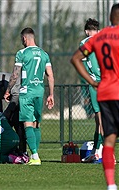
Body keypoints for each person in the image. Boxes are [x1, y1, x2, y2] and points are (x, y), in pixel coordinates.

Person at [70, 4, 119, 190]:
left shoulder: (100, 38)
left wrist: (91, 82)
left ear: (110, 17)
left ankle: (111, 185)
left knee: (108, 137)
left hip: (104, 90)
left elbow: (75, 58)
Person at [4, 27, 54, 166]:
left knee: (27, 123)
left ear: (25, 38)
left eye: (22, 40)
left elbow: (15, 75)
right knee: (36, 123)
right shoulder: (44, 54)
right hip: (40, 91)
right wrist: (51, 94)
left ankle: (35, 157)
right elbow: (50, 75)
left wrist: (8, 89)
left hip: (27, 92)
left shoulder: (22, 53)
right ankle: (35, 154)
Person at [0, 72, 27, 156]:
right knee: (4, 128)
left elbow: (16, 94)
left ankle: (23, 152)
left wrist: (8, 112)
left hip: (20, 100)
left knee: (18, 126)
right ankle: (10, 150)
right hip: (13, 103)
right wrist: (1, 118)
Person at [79, 18, 104, 163]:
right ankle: (96, 151)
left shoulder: (84, 43)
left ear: (87, 31)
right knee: (98, 121)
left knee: (101, 120)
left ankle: (104, 153)